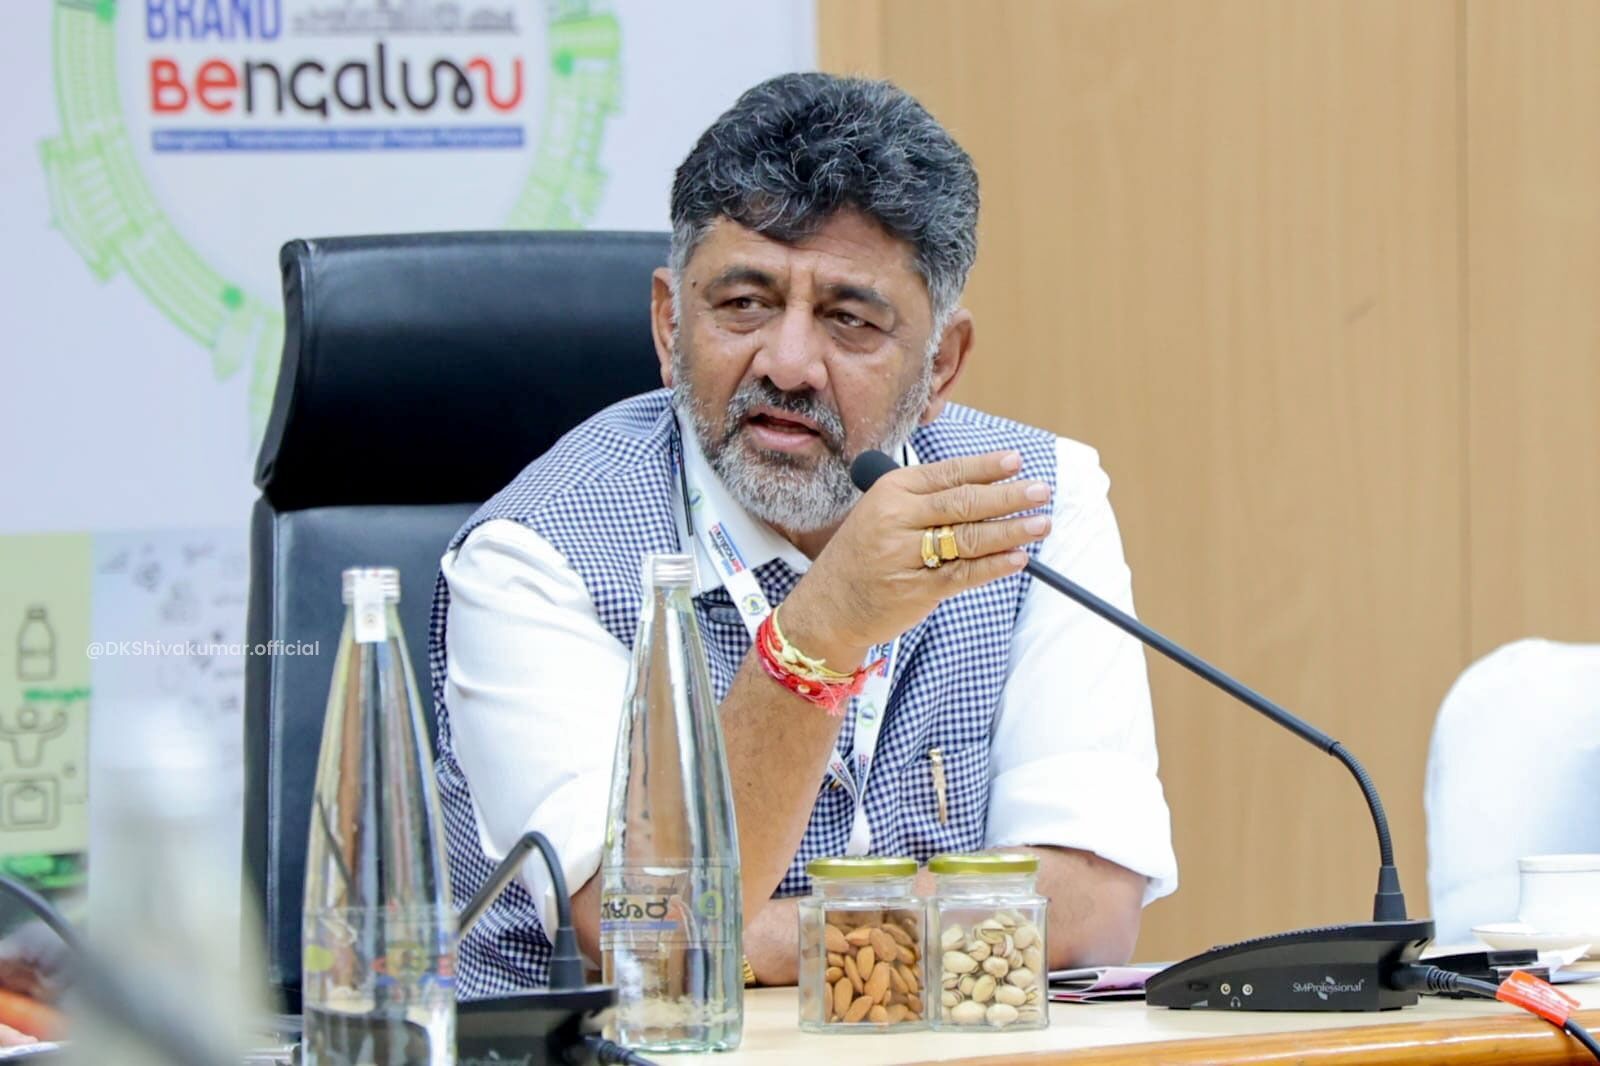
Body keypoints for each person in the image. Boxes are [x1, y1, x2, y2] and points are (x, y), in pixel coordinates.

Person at [430, 72, 1177, 997]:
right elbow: (646, 934)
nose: (787, 364)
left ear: (941, 364)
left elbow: (1091, 909)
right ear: (668, 323)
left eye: (849, 320)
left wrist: (765, 939)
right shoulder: (536, 552)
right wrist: (823, 627)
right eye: (743, 304)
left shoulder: (1029, 503)